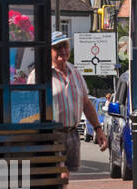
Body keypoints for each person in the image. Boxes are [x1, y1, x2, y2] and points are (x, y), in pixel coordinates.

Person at [29, 31, 105, 172]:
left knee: (67, 176)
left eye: (65, 46)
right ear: (48, 51)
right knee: (59, 175)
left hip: (73, 134)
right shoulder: (39, 75)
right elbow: (30, 107)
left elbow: (86, 104)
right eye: (57, 47)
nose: (63, 51)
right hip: (51, 135)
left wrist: (98, 129)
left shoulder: (75, 72)